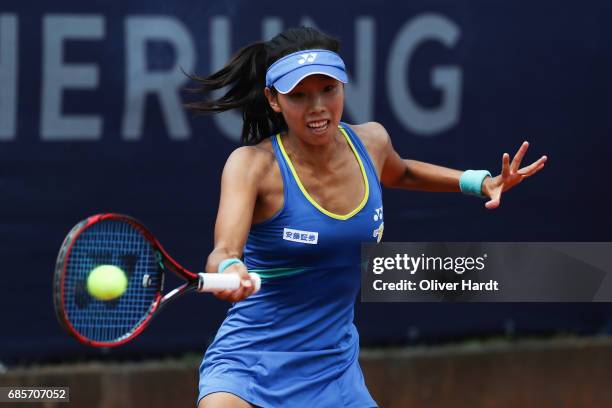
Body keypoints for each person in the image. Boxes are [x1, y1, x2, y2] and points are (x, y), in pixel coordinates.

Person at [186, 26, 547, 408]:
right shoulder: (252, 166)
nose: (318, 107)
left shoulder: (371, 143)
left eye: (329, 89)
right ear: (273, 100)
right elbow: (225, 247)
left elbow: (403, 171)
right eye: (299, 96)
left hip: (334, 374)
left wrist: (479, 182)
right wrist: (228, 266)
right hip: (248, 368)